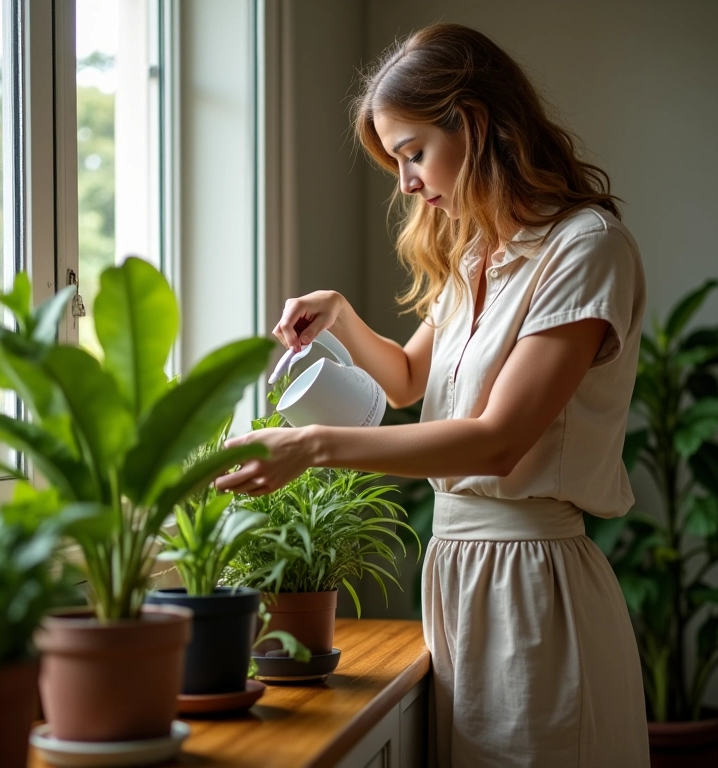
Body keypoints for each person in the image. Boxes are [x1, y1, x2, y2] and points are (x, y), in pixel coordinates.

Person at [216, 22, 650, 768]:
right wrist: (343, 316)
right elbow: (413, 382)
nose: (407, 182)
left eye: (412, 153)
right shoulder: (476, 253)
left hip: (534, 586)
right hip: (457, 580)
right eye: (397, 161)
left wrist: (311, 447)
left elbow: (497, 438)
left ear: (474, 125)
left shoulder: (585, 249)